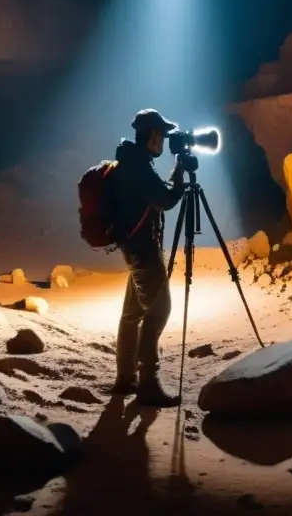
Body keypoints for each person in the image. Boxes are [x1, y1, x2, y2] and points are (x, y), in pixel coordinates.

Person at [109, 108, 185, 407]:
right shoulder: (138, 167)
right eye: (162, 135)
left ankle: (125, 378)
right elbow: (165, 200)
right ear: (152, 136)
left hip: (133, 247)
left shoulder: (129, 162)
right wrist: (178, 174)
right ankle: (148, 384)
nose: (164, 141)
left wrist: (172, 177)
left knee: (132, 314)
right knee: (159, 310)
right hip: (143, 249)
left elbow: (155, 195)